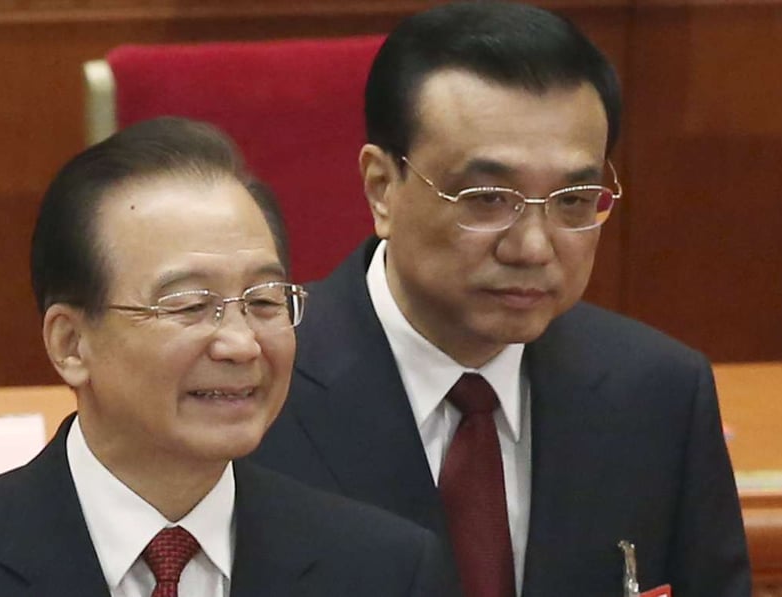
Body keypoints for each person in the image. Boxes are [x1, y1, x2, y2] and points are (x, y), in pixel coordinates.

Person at [0, 117, 459, 597]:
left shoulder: (385, 570)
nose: (240, 344)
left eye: (265, 301)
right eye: (189, 306)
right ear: (70, 344)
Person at [251, 2, 751, 596]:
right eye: (488, 198)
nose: (534, 247)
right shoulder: (257, 385)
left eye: (573, 200)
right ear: (382, 189)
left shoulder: (660, 393)